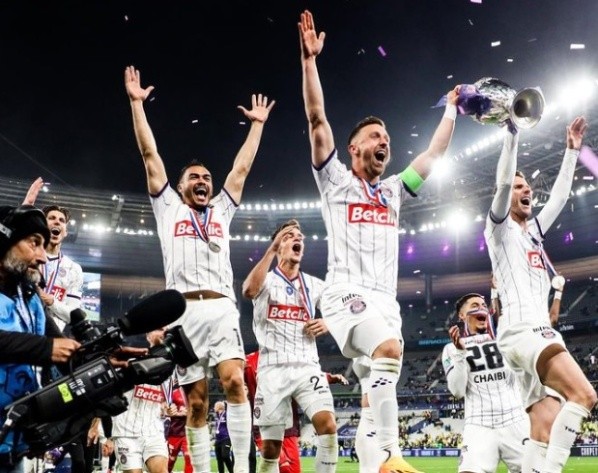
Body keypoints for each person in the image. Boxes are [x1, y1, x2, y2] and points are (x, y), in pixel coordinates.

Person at [298, 9, 458, 473]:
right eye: (374, 135)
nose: (383, 140)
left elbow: (434, 153)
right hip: (345, 292)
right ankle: (391, 454)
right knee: (388, 349)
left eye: (386, 136)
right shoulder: (335, 181)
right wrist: (309, 61)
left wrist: (451, 108)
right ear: (354, 148)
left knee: (373, 395)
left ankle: (373, 463)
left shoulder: (393, 191)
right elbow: (316, 118)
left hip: (386, 302)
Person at [124, 65, 275, 473]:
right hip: (183, 312)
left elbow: (240, 170)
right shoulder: (168, 207)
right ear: (181, 186)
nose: (203, 181)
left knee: (235, 382)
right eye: (195, 177)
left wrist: (256, 126)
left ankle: (241, 469)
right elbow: (150, 156)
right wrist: (137, 104)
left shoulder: (222, 210)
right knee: (195, 403)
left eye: (207, 177)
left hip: (222, 306)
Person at [484, 116, 597, 473]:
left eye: (528, 187)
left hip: (525, 336)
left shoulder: (533, 232)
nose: (526, 190)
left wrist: (571, 151)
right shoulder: (498, 230)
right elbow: (503, 181)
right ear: (505, 196)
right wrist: (512, 135)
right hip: (525, 331)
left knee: (544, 425)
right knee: (584, 395)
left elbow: (560, 197)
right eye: (519, 187)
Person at [242, 219, 338, 473]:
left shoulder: (315, 285)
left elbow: (343, 311)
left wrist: (329, 322)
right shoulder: (265, 280)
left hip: (307, 366)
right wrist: (271, 249)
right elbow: (249, 290)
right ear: (278, 245)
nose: (297, 238)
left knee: (328, 426)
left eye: (300, 237)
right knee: (271, 448)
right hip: (272, 369)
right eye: (289, 236)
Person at [0, 205, 81, 473]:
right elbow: (49, 347)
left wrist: (105, 360)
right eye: (34, 243)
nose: (43, 257)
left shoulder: (30, 299)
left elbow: (61, 347)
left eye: (44, 246)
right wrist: (45, 348)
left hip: (12, 445)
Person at [441, 293, 528, 473]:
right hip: (479, 425)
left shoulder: (504, 339)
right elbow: (457, 391)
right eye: (474, 305)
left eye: (483, 305)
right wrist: (460, 353)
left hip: (516, 420)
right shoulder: (451, 349)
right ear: (462, 315)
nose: (481, 308)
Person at [22, 177, 84, 332]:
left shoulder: (73, 269)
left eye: (62, 220)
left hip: (51, 338)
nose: (57, 222)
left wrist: (50, 300)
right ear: (43, 226)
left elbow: (73, 315)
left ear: (65, 232)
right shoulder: (26, 256)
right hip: (22, 332)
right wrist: (25, 207)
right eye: (52, 218)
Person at [109, 327, 170, 473]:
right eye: (158, 329)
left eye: (165, 329)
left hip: (154, 431)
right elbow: (108, 395)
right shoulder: (130, 362)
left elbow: (162, 399)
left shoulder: (170, 368)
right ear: (148, 335)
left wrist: (165, 407)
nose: (163, 332)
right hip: (126, 432)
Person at [163, 375, 192, 473]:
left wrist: (190, 412)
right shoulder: (170, 393)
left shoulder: (192, 392)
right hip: (174, 432)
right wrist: (178, 413)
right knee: (170, 459)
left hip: (188, 432)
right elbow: (164, 411)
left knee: (189, 457)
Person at [214, 401, 234, 473]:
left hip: (226, 438)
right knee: (219, 459)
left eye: (215, 406)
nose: (214, 408)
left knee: (225, 456)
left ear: (219, 407)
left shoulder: (226, 415)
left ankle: (232, 471)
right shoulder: (217, 415)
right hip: (217, 440)